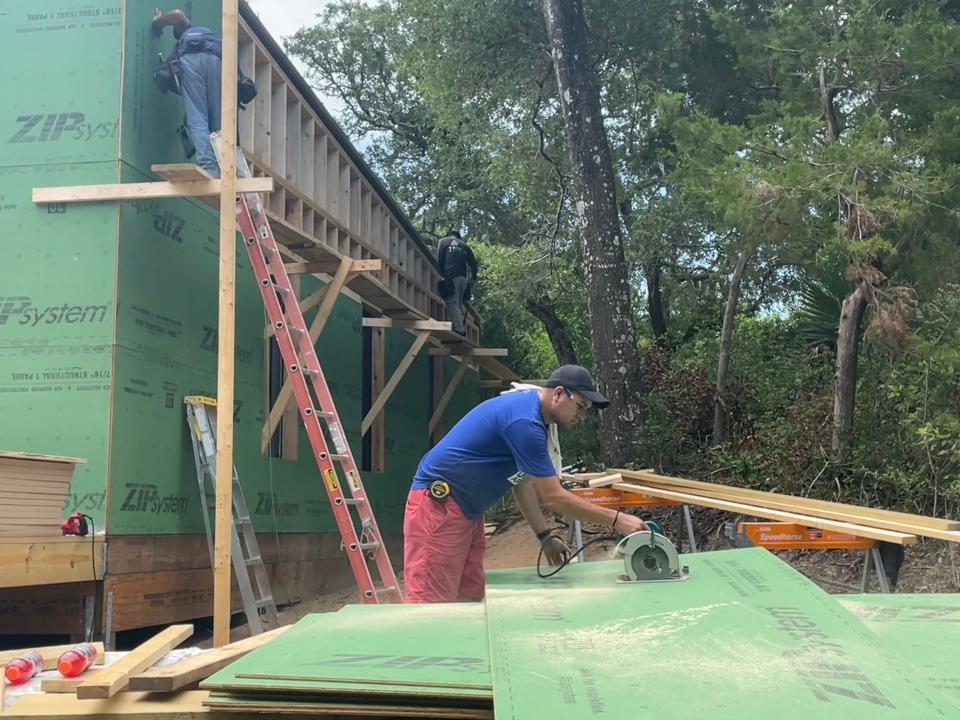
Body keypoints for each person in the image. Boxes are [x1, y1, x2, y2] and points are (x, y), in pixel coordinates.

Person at [403, 364, 649, 603]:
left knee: (467, 597)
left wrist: (544, 536)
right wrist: (619, 520)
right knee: (431, 607)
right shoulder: (525, 422)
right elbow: (554, 497)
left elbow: (520, 482)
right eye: (580, 407)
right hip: (439, 508)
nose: (581, 416)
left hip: (467, 511)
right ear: (559, 394)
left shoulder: (535, 418)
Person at [152, 9, 223, 178]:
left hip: (192, 60)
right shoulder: (210, 37)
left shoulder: (187, 30)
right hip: (217, 60)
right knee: (216, 120)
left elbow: (177, 15)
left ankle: (211, 168)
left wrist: (158, 23)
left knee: (198, 116)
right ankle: (223, 165)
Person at [437, 231, 478, 336]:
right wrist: (473, 278)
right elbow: (473, 263)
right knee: (458, 303)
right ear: (459, 237)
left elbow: (440, 259)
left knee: (451, 302)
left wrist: (442, 275)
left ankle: (460, 329)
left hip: (451, 276)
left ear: (449, 235)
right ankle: (459, 327)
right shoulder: (464, 246)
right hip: (463, 279)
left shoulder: (443, 241)